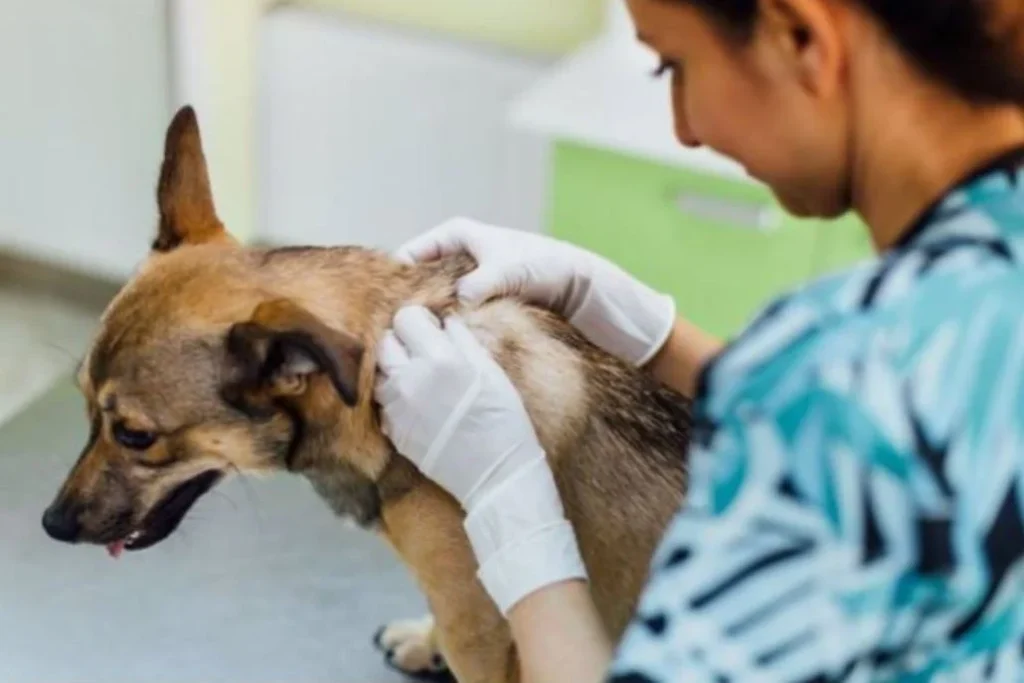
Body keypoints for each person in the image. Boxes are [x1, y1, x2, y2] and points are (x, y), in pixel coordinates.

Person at [373, 0, 1024, 680]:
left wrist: (513, 512)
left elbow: (846, 408)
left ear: (800, 36)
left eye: (674, 66)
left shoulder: (837, 378)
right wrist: (653, 336)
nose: (685, 129)